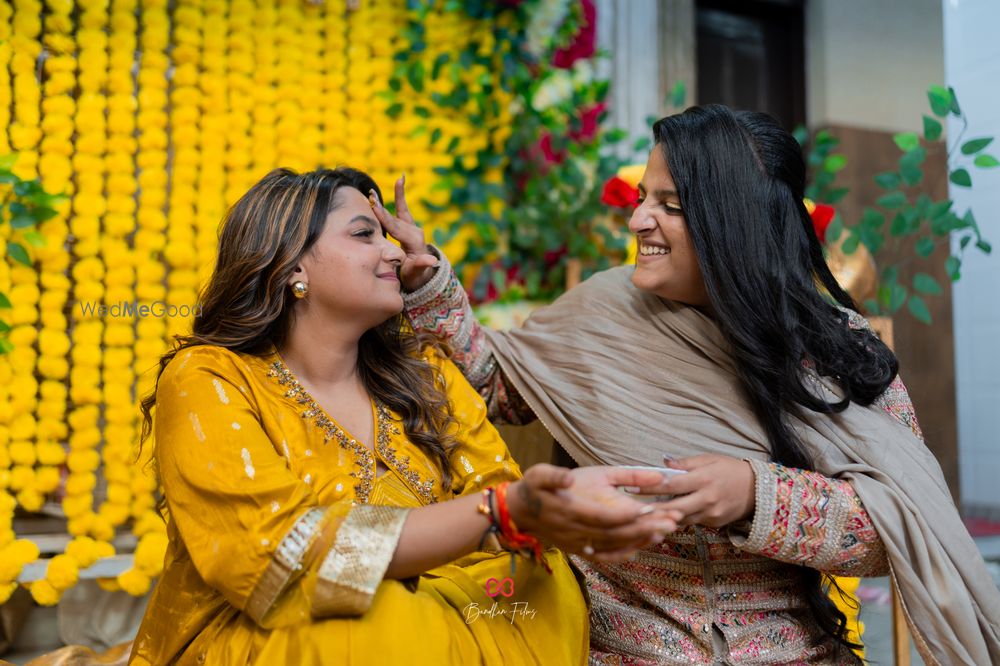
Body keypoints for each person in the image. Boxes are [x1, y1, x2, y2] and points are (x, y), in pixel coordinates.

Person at [375, 105, 1000, 665]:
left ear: (734, 222)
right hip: (624, 647)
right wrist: (428, 284)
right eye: (642, 198)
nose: (637, 220)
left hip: (798, 651)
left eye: (670, 205)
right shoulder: (602, 312)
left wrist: (753, 494)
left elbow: (898, 533)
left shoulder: (837, 346)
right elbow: (497, 390)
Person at [128, 167, 683, 666]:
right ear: (292, 265)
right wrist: (495, 514)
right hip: (277, 633)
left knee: (540, 580)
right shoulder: (210, 378)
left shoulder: (423, 373)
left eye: (387, 238)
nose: (394, 254)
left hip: (451, 614)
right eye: (363, 235)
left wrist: (549, 514)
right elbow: (277, 560)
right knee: (378, 618)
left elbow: (500, 500)